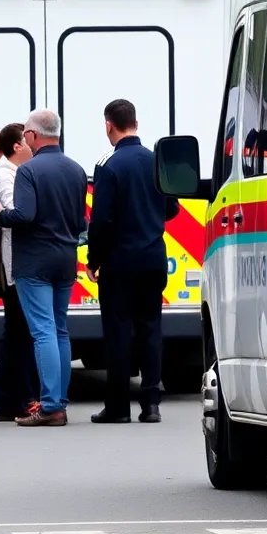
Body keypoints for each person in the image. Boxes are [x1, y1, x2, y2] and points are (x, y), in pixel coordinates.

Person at [0, 109, 87, 427]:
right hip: (65, 259)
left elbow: (23, 215)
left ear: (32, 136)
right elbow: (81, 222)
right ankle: (61, 401)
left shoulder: (28, 171)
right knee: (59, 330)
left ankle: (52, 405)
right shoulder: (76, 169)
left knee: (41, 333)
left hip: (34, 262)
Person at [87, 99, 179, 424]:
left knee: (118, 333)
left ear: (108, 125)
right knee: (150, 330)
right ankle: (151, 404)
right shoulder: (157, 161)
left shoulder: (109, 165)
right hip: (153, 259)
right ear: (136, 124)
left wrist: (93, 259)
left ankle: (118, 407)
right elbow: (172, 210)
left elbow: (101, 221)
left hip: (119, 263)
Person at [0, 123, 40, 421]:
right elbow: (14, 214)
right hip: (16, 267)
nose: (34, 146)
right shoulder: (4, 177)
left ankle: (6, 400)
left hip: (20, 264)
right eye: (28, 141)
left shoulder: (16, 173)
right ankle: (20, 398)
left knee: (17, 334)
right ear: (17, 146)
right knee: (20, 336)